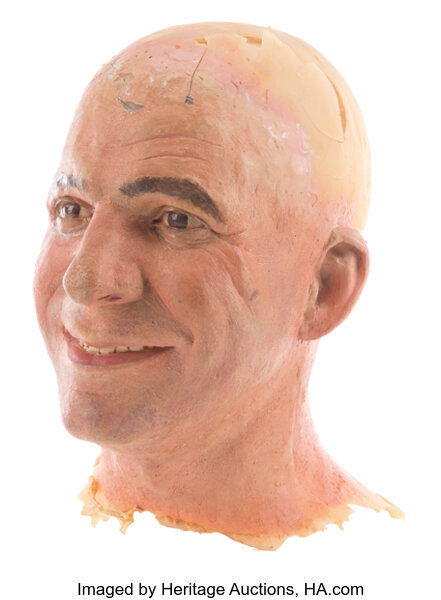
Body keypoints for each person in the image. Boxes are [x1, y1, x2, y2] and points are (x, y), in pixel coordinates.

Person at [34, 22, 401, 549]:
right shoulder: (31, 544)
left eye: (177, 220)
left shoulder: (387, 558)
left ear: (325, 287)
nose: (84, 281)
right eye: (72, 211)